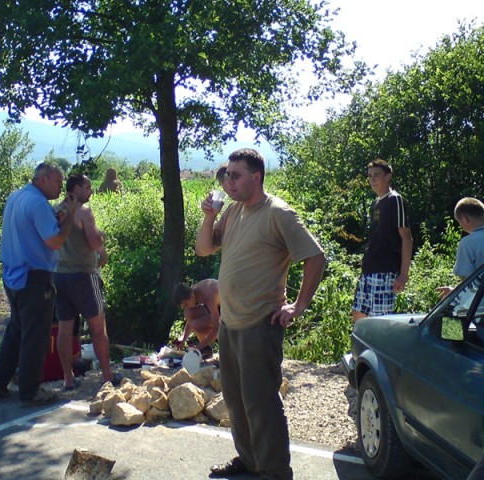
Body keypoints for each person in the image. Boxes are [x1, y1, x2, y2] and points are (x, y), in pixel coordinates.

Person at [195, 148, 325, 480]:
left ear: (256, 177)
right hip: (230, 322)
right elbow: (204, 248)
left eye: (235, 175)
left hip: (259, 323)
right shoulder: (234, 211)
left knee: (262, 403)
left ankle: (275, 472)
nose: (228, 181)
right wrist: (209, 216)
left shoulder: (279, 213)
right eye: (226, 175)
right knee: (237, 402)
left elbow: (315, 257)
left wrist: (298, 305)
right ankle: (250, 462)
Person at [0, 163, 77, 407]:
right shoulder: (38, 203)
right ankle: (30, 391)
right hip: (34, 276)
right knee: (36, 335)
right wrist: (68, 218)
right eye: (58, 182)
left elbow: (35, 228)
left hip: (12, 273)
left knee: (16, 329)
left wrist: (56, 215)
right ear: (45, 179)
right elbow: (55, 241)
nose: (61, 188)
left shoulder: (17, 197)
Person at [54, 173, 120, 389]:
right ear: (78, 188)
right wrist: (101, 236)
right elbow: (94, 242)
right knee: (98, 329)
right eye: (88, 187)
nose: (91, 191)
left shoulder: (56, 210)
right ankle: (108, 376)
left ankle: (68, 378)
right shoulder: (83, 211)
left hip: (59, 275)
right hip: (83, 274)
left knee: (65, 329)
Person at [352, 158, 413, 323]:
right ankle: (361, 349)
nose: (372, 179)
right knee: (359, 316)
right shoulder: (375, 203)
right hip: (369, 269)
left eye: (376, 175)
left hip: (385, 270)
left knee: (380, 322)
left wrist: (403, 274)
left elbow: (406, 236)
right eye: (370, 176)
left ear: (388, 177)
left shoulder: (395, 199)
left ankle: (383, 350)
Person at [437, 197, 484, 298]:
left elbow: (468, 284)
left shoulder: (467, 243)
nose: (461, 226)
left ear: (465, 218)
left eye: (460, 222)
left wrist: (453, 292)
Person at [171, 279, 220, 358]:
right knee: (189, 313)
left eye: (186, 304)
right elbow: (190, 323)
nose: (185, 307)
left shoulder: (208, 295)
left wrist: (197, 348)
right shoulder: (193, 291)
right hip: (217, 308)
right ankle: (206, 349)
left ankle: (226, 347)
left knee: (197, 324)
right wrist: (183, 339)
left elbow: (216, 328)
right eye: (183, 306)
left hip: (228, 309)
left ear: (192, 296)